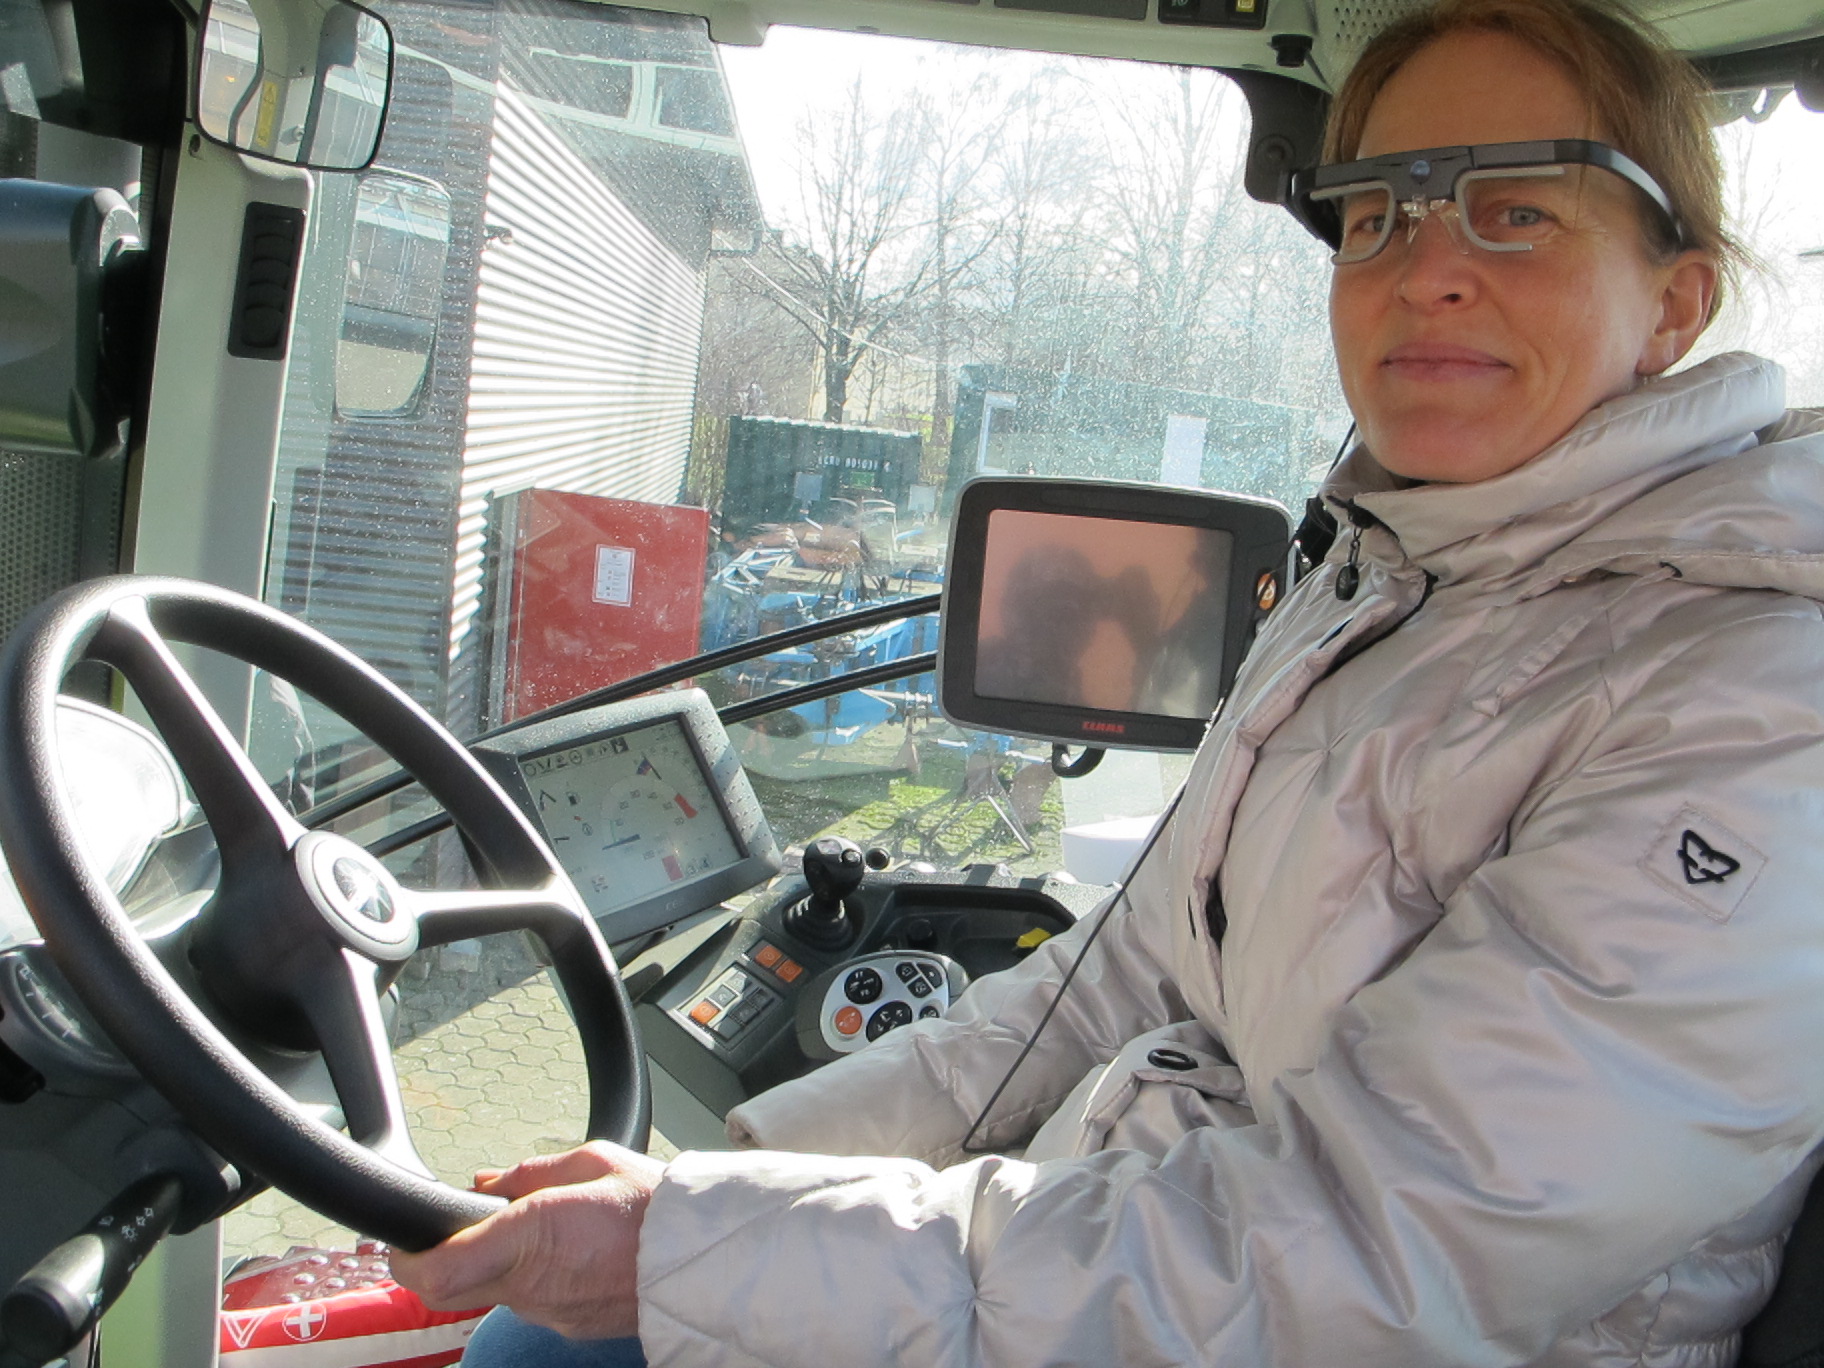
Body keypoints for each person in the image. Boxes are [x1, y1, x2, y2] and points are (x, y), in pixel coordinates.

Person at [391, 0, 1824, 1362]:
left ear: (1675, 303)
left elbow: (1368, 1259)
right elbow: (1120, 973)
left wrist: (697, 1251)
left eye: (1518, 209)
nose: (1423, 267)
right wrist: (730, 1184)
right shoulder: (1381, 578)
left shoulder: (1752, 704)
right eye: (1377, 212)